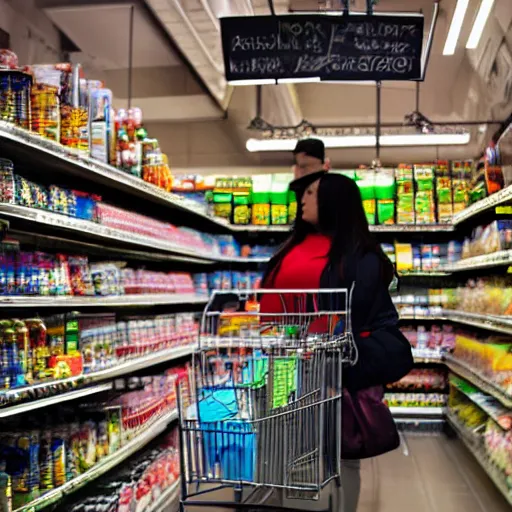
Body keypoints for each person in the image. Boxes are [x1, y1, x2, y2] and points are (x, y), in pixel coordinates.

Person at [260, 161, 410, 511]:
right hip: (287, 361)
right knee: (285, 446)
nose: (303, 199)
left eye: (312, 193)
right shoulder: (296, 246)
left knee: (340, 453)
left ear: (332, 201)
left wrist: (335, 366)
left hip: (331, 368)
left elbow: (349, 315)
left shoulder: (357, 257)